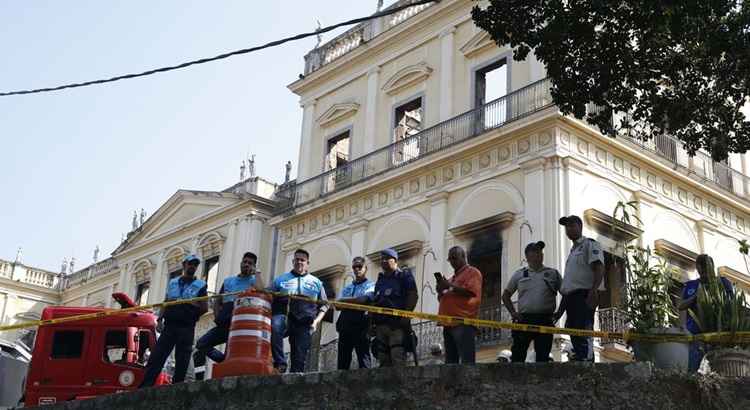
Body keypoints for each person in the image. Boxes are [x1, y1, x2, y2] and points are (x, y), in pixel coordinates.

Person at [139, 254, 207, 387]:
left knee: (182, 359)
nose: (192, 266)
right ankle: (145, 386)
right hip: (169, 325)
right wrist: (159, 319)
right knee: (157, 356)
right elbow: (166, 301)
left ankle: (177, 387)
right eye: (190, 263)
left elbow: (204, 307)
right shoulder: (173, 282)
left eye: (195, 264)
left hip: (186, 327)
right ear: (184, 265)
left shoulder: (200, 285)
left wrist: (192, 309)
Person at [193, 252, 264, 369]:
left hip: (240, 324)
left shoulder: (254, 281)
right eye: (245, 262)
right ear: (241, 263)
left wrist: (257, 273)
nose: (246, 265)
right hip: (224, 321)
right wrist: (216, 316)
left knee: (232, 352)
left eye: (250, 263)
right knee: (202, 343)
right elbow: (218, 301)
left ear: (253, 266)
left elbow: (261, 290)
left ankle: (227, 364)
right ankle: (223, 360)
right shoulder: (228, 281)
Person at [269, 249, 328, 373]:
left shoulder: (316, 282)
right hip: (285, 316)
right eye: (297, 259)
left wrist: (316, 322)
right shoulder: (280, 279)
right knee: (275, 326)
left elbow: (325, 305)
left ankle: (294, 380)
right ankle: (280, 362)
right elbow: (267, 295)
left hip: (305, 321)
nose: (299, 262)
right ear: (293, 261)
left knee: (299, 358)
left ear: (307, 263)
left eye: (302, 260)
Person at [503, 241, 562, 362]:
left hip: (545, 319)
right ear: (527, 256)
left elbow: (566, 294)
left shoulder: (552, 273)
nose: (539, 254)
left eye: (540, 251)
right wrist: (513, 313)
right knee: (518, 355)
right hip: (524, 319)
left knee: (543, 356)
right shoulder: (519, 274)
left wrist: (559, 313)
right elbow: (505, 295)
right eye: (535, 251)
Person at [556, 215, 604, 362]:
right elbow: (569, 284)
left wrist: (594, 290)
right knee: (571, 327)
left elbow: (599, 267)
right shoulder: (572, 252)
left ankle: (587, 359)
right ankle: (580, 356)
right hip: (570, 297)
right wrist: (559, 311)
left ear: (580, 226)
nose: (568, 229)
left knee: (583, 328)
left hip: (584, 294)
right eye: (566, 227)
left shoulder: (589, 244)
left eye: (571, 225)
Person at [678, 254, 734, 373]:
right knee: (693, 371)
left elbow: (732, 306)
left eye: (707, 269)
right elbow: (681, 306)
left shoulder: (723, 283)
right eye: (701, 270)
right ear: (698, 268)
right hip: (695, 335)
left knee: (719, 372)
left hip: (719, 335)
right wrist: (695, 297)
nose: (704, 274)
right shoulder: (691, 285)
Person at [369, 248, 418, 367]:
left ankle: (400, 384)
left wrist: (406, 315)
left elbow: (413, 295)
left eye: (387, 259)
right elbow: (375, 302)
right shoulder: (380, 280)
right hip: (381, 325)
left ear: (395, 260)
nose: (384, 261)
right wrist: (371, 323)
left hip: (397, 324)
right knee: (383, 358)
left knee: (397, 356)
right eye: (382, 259)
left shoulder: (404, 276)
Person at [436, 246, 483, 364]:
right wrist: (440, 291)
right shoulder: (451, 279)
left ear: (463, 257)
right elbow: (443, 299)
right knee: (450, 362)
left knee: (467, 362)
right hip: (448, 324)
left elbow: (471, 292)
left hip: (463, 322)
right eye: (450, 259)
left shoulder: (472, 272)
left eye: (454, 258)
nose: (452, 261)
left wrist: (449, 286)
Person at [335, 256, 375, 370]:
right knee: (342, 361)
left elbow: (363, 300)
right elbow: (337, 306)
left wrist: (344, 301)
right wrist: (352, 301)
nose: (357, 269)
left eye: (359, 266)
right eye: (354, 267)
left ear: (365, 268)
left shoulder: (370, 285)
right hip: (345, 325)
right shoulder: (348, 287)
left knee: (364, 359)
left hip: (361, 325)